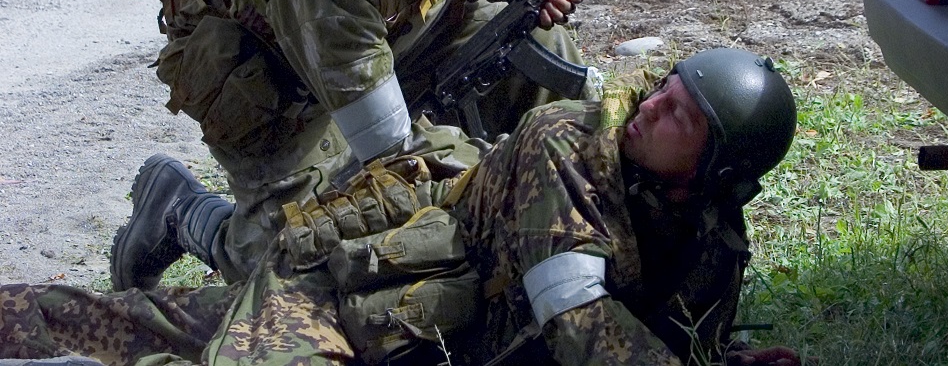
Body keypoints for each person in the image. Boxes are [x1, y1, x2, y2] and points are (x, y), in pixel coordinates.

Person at [0, 47, 802, 366]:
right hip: (344, 299)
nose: (654, 106)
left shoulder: (712, 242)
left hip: (417, 336)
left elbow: (671, 342)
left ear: (713, 171)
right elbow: (582, 324)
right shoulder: (568, 139)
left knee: (143, 322)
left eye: (683, 116)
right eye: (667, 86)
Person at [110, 0, 592, 292]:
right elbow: (393, 153)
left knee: (529, 41)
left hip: (382, 38)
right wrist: (505, 176)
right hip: (276, 84)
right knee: (295, 257)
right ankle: (178, 209)